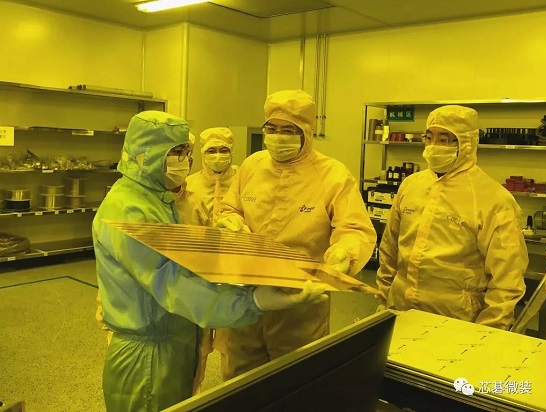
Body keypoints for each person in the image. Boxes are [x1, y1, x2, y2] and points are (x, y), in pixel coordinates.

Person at [92, 110, 327, 412]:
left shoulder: (159, 200)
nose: (184, 161)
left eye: (186, 152)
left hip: (176, 339)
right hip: (149, 356)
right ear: (144, 155)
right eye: (176, 152)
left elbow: (189, 259)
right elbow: (173, 284)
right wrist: (253, 301)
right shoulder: (129, 209)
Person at [215, 89, 377, 381]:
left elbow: (354, 228)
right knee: (240, 380)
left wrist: (346, 252)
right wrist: (229, 220)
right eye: (272, 129)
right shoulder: (251, 166)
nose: (279, 137)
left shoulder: (332, 174)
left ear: (307, 131)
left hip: (300, 303)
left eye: (289, 130)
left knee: (296, 381)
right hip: (246, 296)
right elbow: (231, 207)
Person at [376, 105, 528, 330]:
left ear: (466, 143)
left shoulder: (493, 199)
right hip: (400, 310)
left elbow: (507, 277)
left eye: (445, 140)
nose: (434, 146)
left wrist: (488, 330)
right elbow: (390, 248)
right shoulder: (411, 186)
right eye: (429, 137)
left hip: (456, 320)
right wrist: (383, 297)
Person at [174, 126, 238, 393]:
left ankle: (234, 394)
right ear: (202, 153)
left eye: (224, 150)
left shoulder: (243, 182)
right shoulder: (189, 184)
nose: (218, 156)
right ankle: (192, 396)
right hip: (197, 277)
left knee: (232, 345)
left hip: (232, 276)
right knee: (196, 347)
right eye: (211, 150)